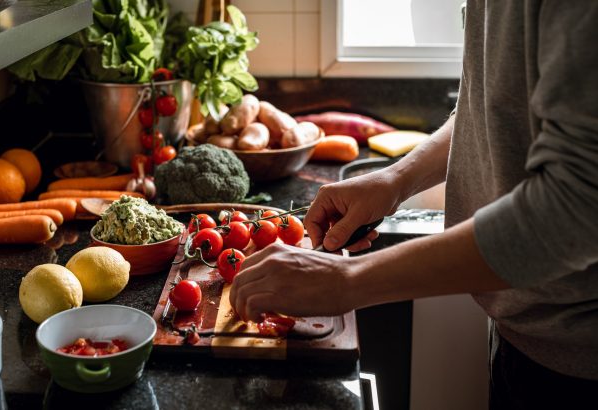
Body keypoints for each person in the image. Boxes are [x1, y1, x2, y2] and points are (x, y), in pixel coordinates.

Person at [230, 1, 598, 408]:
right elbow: (493, 103)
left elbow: (578, 206)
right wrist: (396, 179)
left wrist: (348, 280)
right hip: (528, 333)